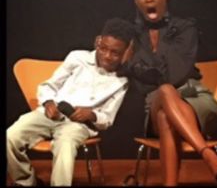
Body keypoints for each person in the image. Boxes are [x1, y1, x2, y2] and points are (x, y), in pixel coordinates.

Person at [122, 0, 217, 186]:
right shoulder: (132, 36)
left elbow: (176, 75)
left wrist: (139, 67)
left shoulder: (185, 27)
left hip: (196, 100)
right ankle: (211, 160)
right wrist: (139, 69)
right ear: (135, 0)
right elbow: (142, 86)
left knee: (166, 103)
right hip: (153, 104)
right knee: (163, 93)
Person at [7, 17, 135, 186]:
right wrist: (48, 103)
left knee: (65, 146)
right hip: (52, 114)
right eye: (103, 49)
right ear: (98, 42)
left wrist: (91, 114)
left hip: (79, 125)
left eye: (115, 53)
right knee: (10, 136)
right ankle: (26, 182)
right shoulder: (77, 58)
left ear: (126, 52)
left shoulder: (121, 81)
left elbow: (107, 119)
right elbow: (48, 86)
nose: (107, 56)